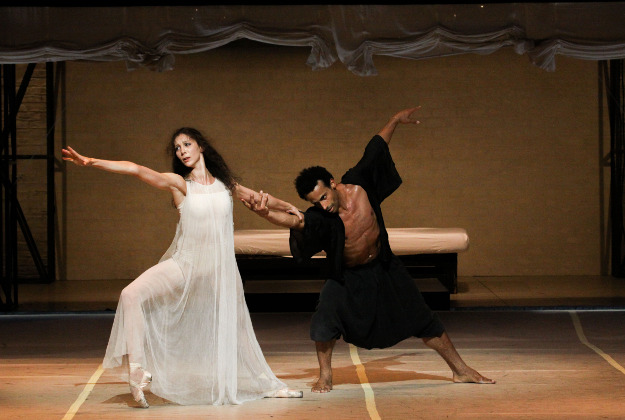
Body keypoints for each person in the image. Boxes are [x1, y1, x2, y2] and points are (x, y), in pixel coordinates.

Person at [241, 106, 495, 393]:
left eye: (324, 196)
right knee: (325, 316)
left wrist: (395, 120)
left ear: (334, 183)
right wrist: (264, 212)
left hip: (385, 266)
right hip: (347, 275)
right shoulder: (321, 217)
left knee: (422, 316)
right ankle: (325, 376)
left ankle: (460, 370)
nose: (323, 205)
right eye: (316, 202)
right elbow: (293, 220)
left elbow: (376, 146)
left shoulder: (360, 181)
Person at [62, 127, 303, 408]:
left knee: (238, 329)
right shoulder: (180, 184)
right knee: (130, 294)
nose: (182, 151)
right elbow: (137, 170)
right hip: (185, 265)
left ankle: (268, 384)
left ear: (200, 146)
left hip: (219, 271)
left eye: (187, 144)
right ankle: (137, 371)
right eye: (177, 148)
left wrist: (289, 206)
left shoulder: (226, 185)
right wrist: (91, 162)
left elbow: (259, 199)